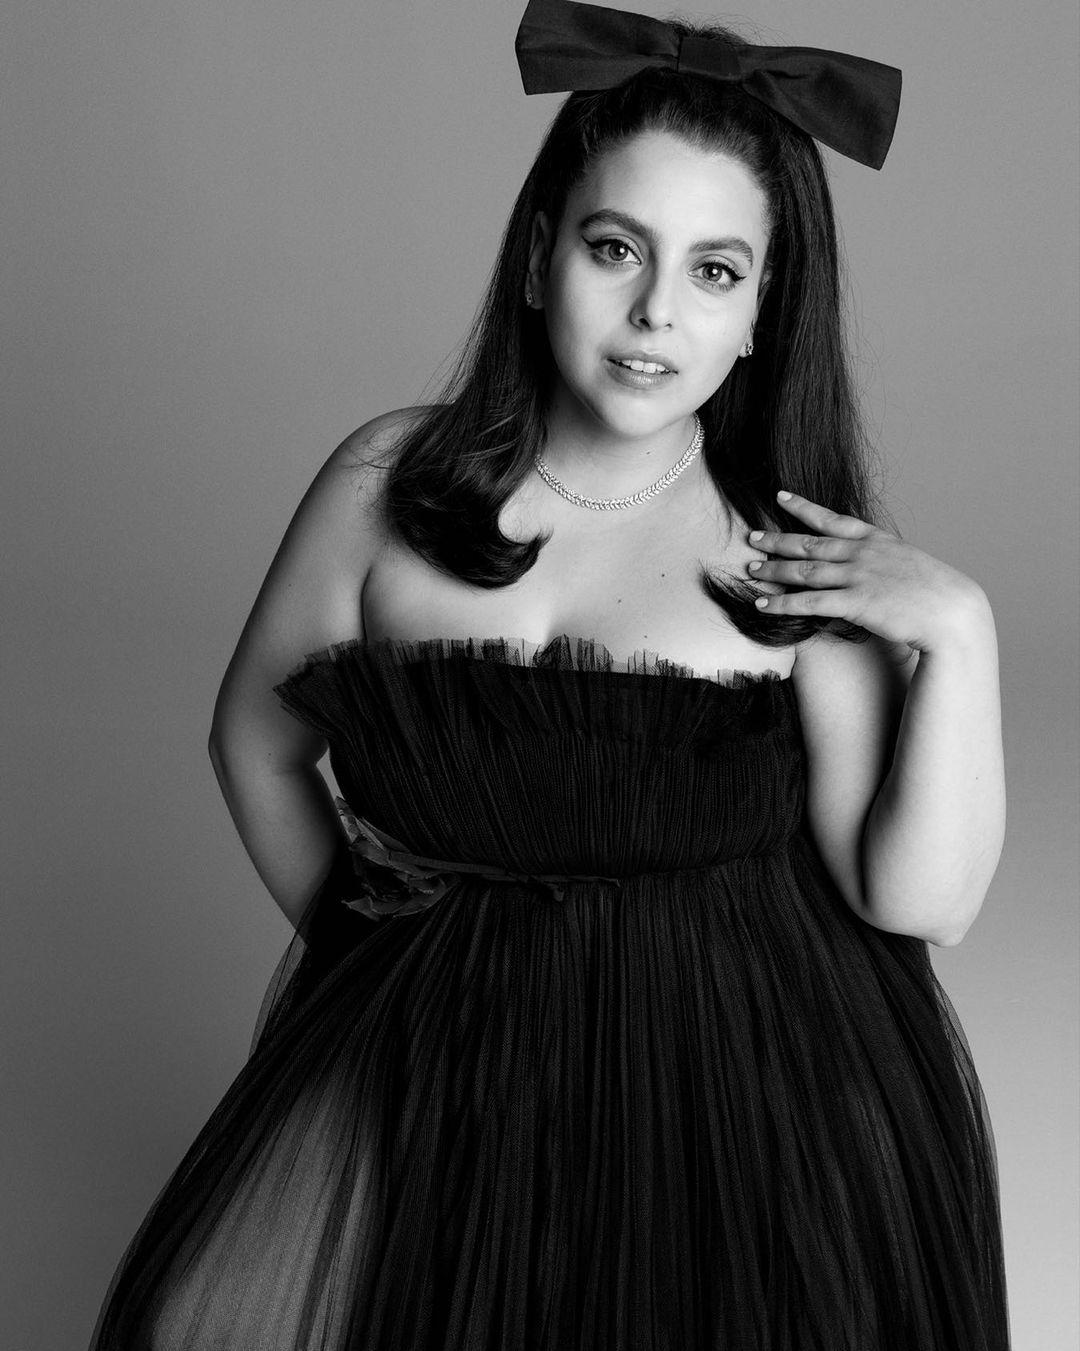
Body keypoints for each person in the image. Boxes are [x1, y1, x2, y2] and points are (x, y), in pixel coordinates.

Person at [88, 1, 1011, 1347]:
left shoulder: (784, 553)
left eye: (713, 272)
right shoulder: (385, 485)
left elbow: (913, 896)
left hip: (722, 1085)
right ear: (537, 260)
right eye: (615, 247)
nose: (652, 312)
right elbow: (255, 734)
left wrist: (965, 633)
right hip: (439, 1055)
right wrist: (364, 964)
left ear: (763, 315)